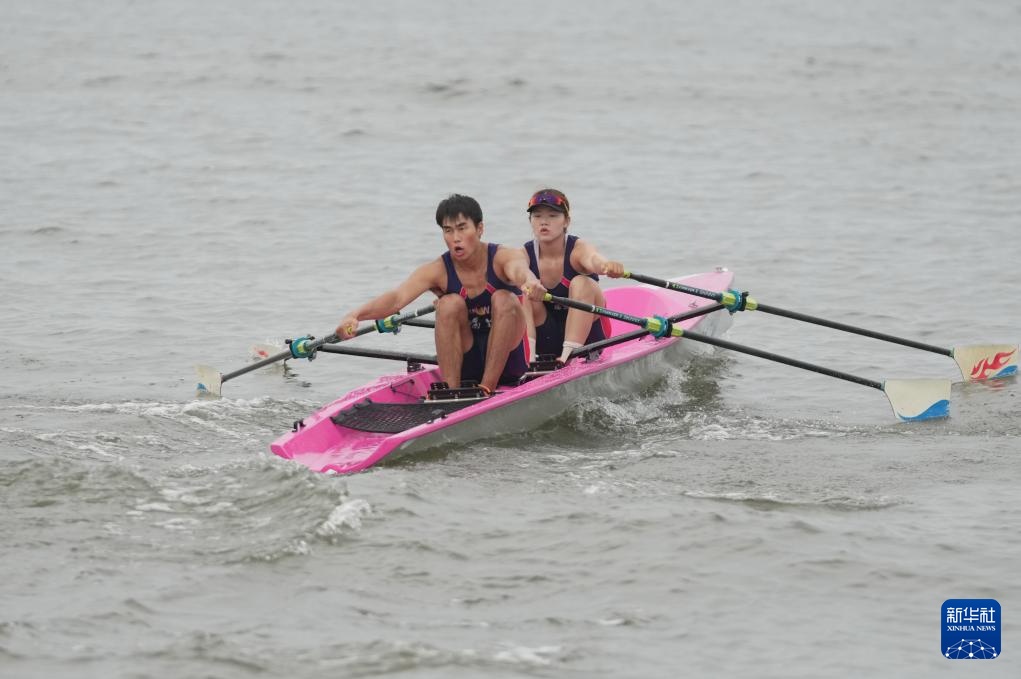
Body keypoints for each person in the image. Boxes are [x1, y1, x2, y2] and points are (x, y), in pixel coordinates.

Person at [335, 194, 546, 395]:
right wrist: (355, 315)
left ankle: (486, 388)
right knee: (448, 304)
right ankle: (451, 391)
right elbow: (397, 299)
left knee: (504, 299)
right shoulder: (437, 270)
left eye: (462, 228)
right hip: (467, 358)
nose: (455, 238)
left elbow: (520, 270)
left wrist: (530, 281)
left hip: (510, 361)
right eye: (448, 231)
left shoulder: (503, 256)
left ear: (480, 228)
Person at [522, 188, 625, 364]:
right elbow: (513, 269)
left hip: (589, 339)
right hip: (548, 338)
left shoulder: (578, 249)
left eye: (553, 215)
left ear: (566, 222)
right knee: (523, 288)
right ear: (530, 221)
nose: (544, 222)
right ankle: (528, 360)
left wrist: (606, 266)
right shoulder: (524, 254)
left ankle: (569, 357)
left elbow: (592, 259)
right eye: (537, 216)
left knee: (581, 282)